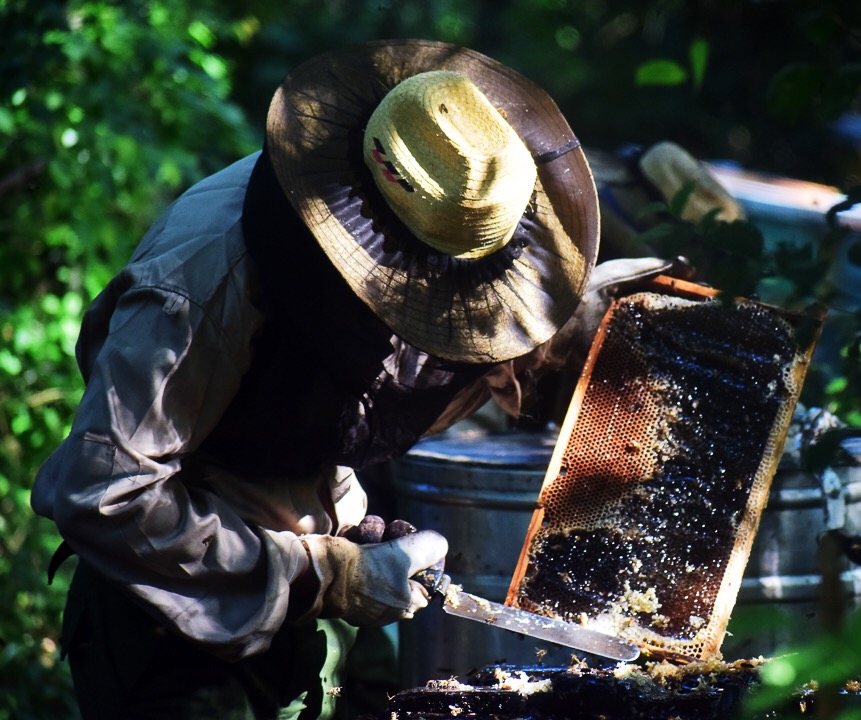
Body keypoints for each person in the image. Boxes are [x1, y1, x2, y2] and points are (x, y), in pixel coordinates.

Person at [32, 39, 680, 719]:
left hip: (293, 630)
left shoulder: (438, 211)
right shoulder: (202, 283)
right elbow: (102, 494)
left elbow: (316, 406)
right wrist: (329, 574)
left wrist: (350, 534)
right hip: (168, 636)